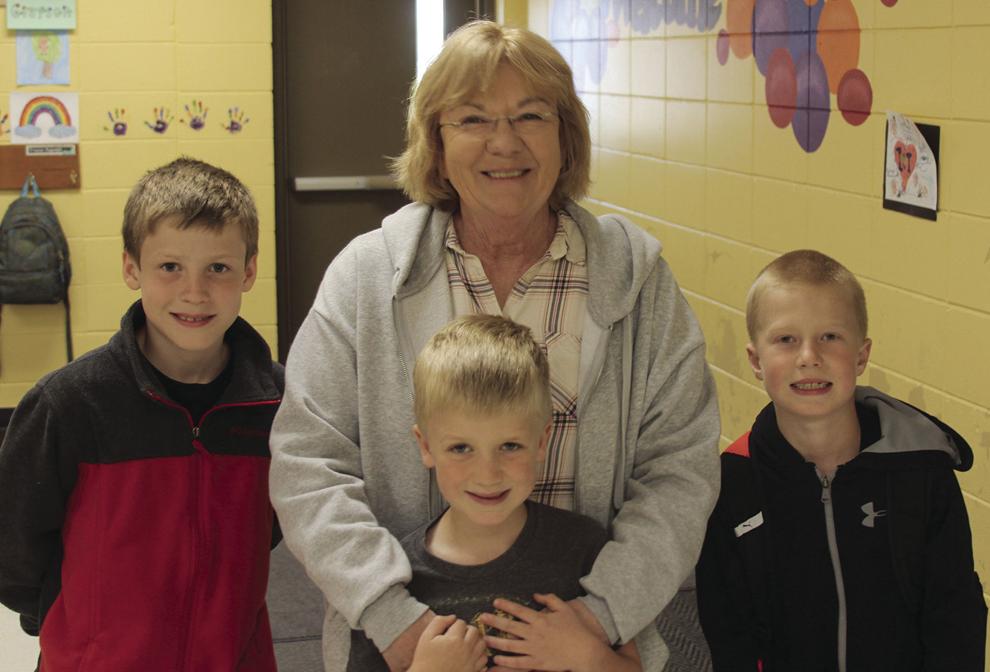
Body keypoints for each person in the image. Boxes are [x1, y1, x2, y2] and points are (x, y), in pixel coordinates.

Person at [270, 20, 720, 672]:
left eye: (531, 116)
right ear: (436, 140)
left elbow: (680, 473)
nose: (504, 144)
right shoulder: (367, 280)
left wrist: (600, 618)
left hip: (584, 650)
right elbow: (309, 468)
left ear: (566, 137)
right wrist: (395, 622)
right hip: (416, 652)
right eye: (473, 119)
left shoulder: (637, 283)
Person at [0, 157, 285, 671]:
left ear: (248, 271)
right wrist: (80, 629)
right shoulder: (68, 404)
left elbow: (278, 528)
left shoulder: (279, 404)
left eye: (217, 268)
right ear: (131, 268)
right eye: (170, 267)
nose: (194, 292)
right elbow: (14, 552)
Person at [695, 250, 987, 671]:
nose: (809, 356)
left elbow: (955, 614)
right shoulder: (732, 484)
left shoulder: (921, 469)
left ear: (862, 356)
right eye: (786, 339)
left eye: (830, 337)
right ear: (756, 361)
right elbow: (729, 634)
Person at [348, 315, 643, 672]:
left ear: (542, 441)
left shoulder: (583, 547)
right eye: (460, 448)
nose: (488, 474)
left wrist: (586, 656)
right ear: (425, 446)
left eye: (510, 445)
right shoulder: (396, 580)